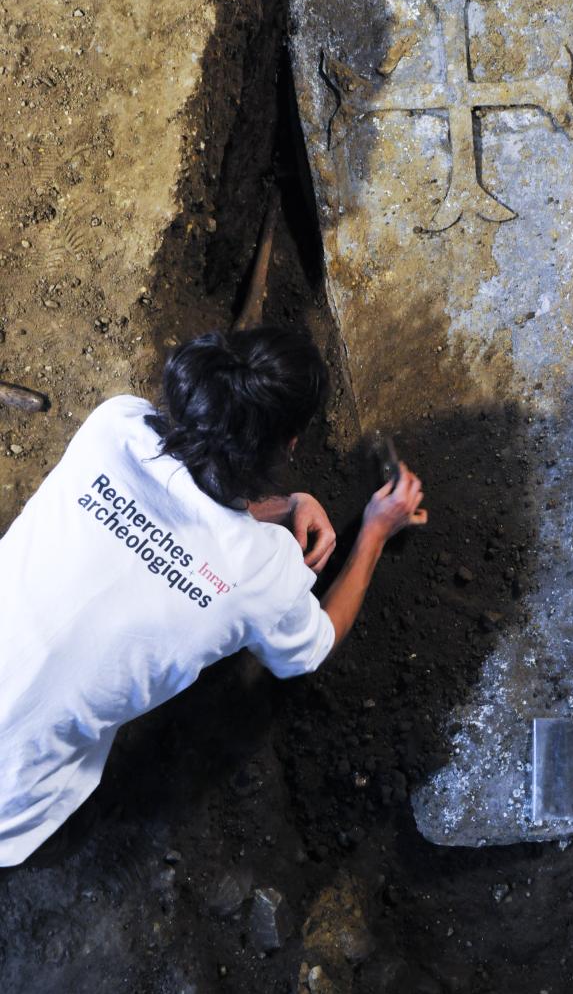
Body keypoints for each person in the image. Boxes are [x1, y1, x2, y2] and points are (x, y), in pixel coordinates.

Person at [0, 326, 426, 866]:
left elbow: (188, 495)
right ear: (290, 443)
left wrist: (286, 504)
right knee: (58, 826)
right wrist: (374, 531)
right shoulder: (259, 573)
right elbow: (313, 647)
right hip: (14, 808)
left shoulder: (114, 426)